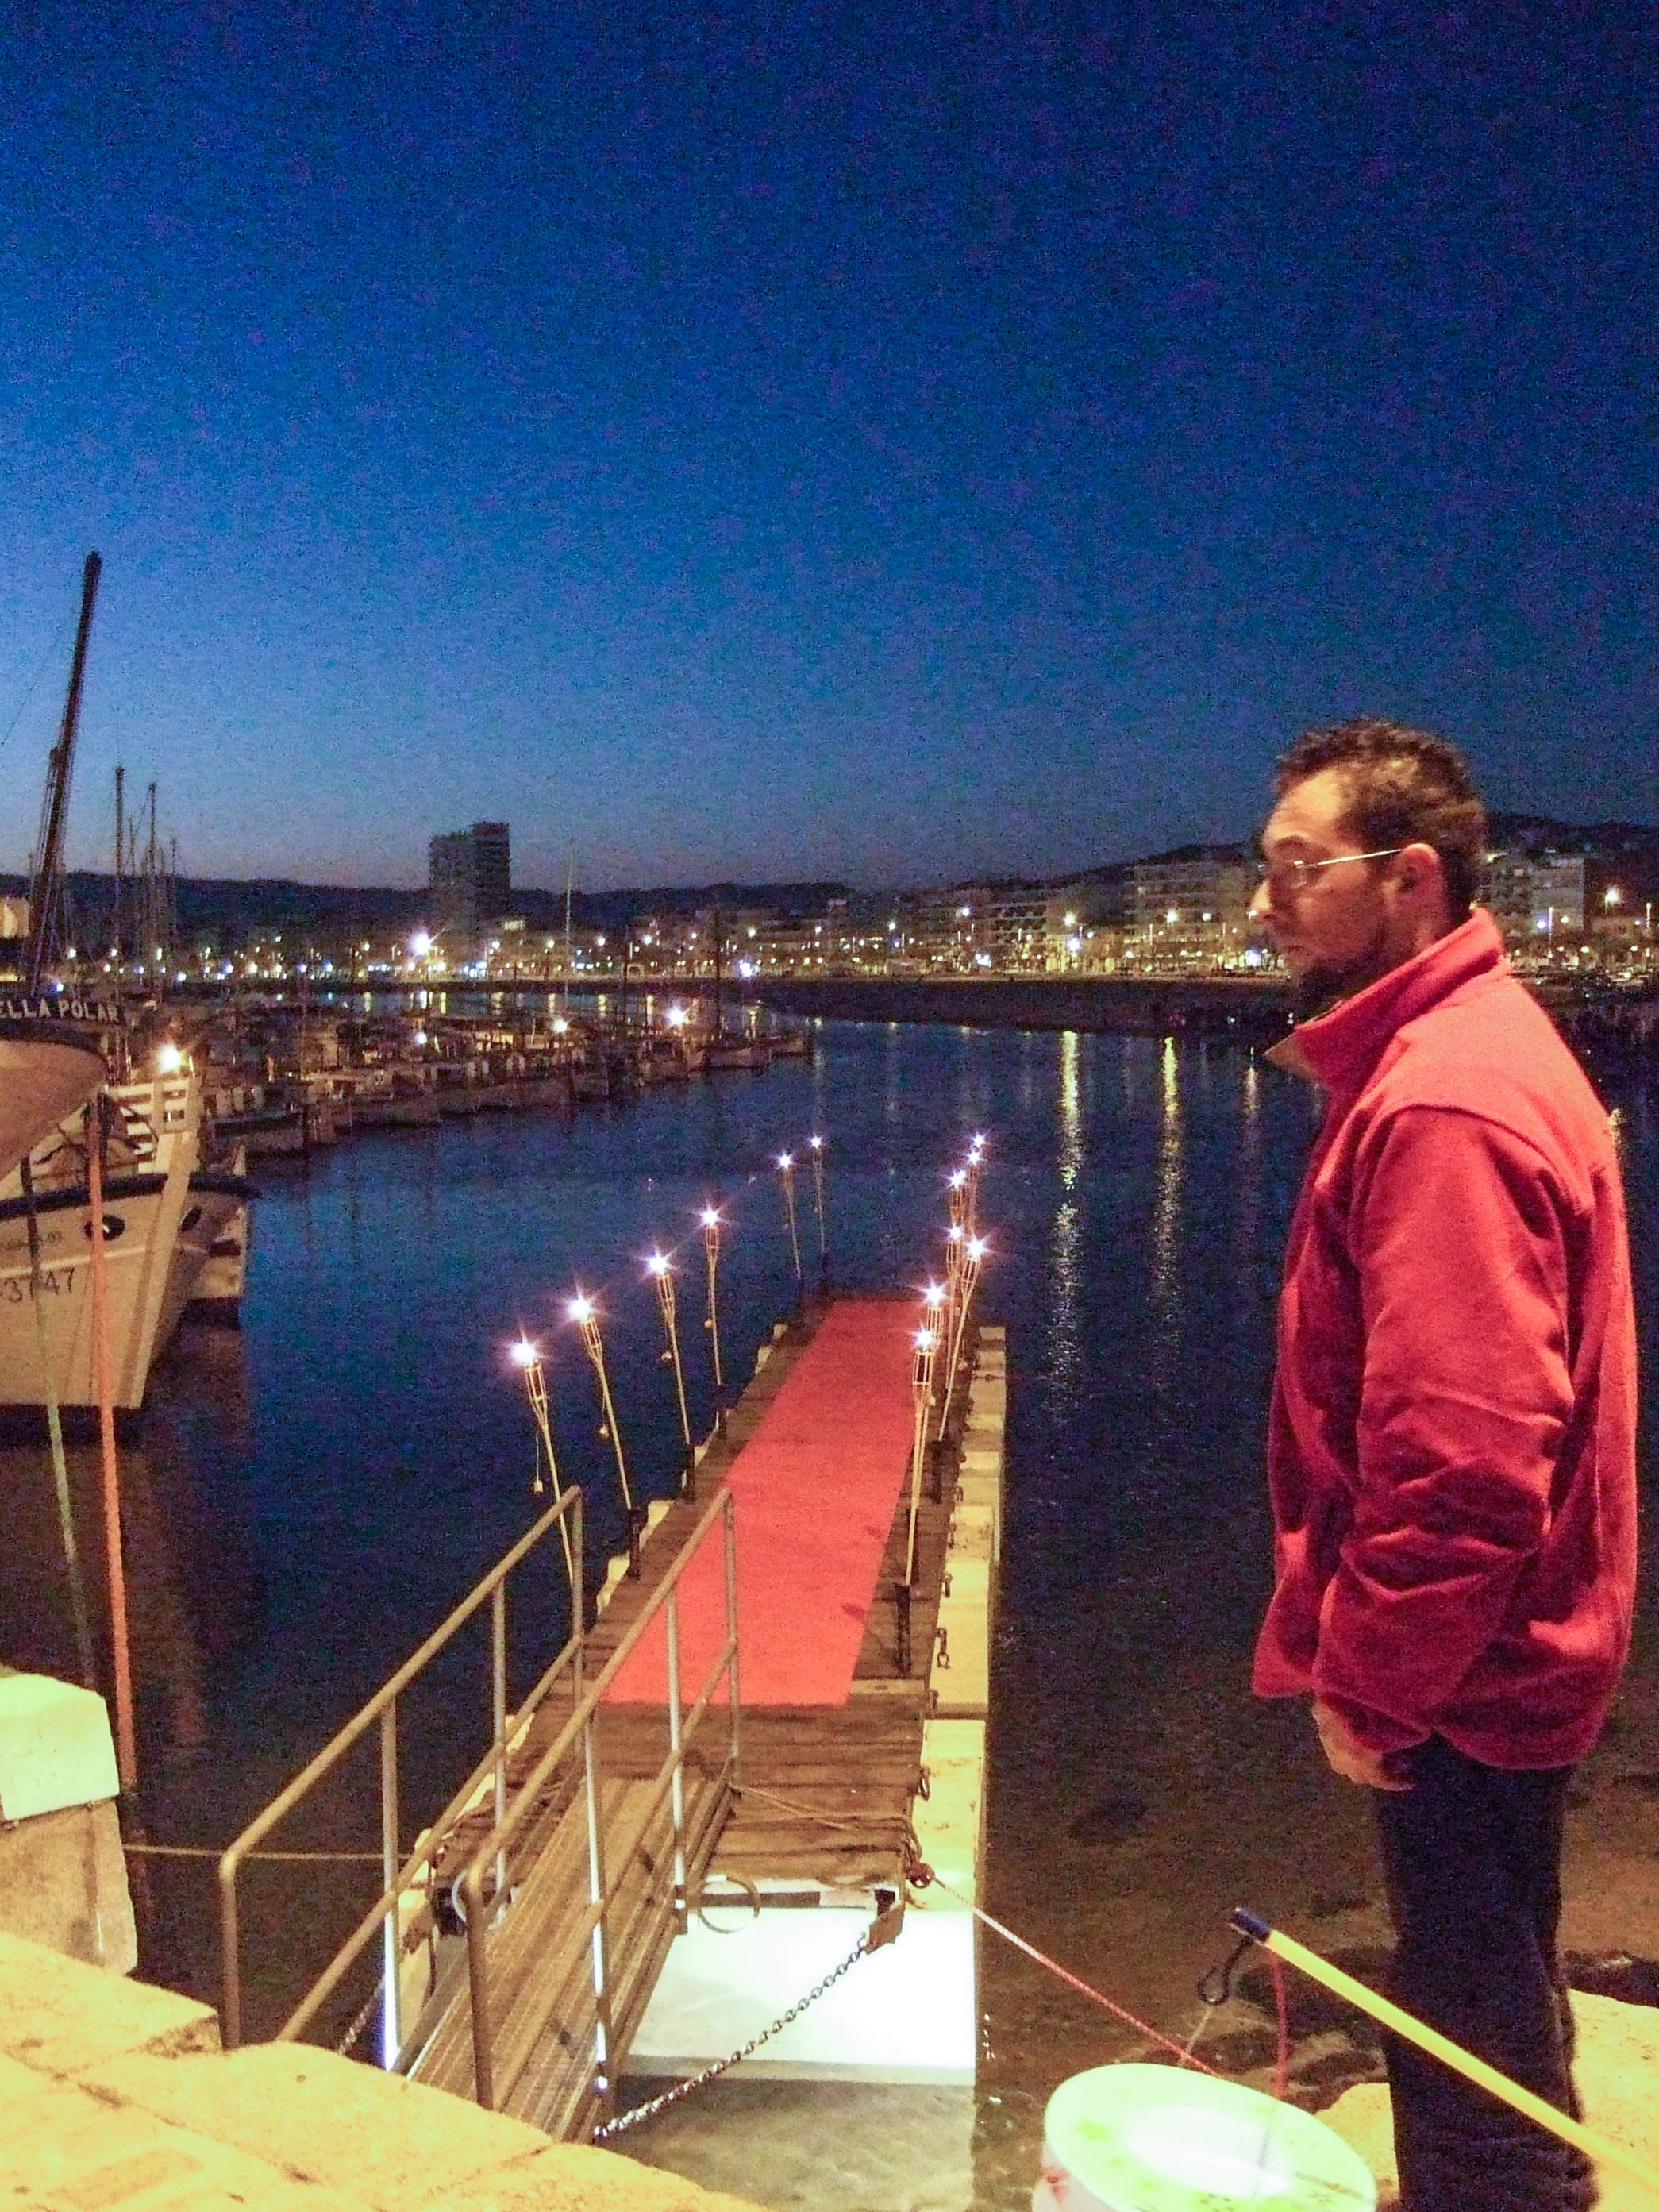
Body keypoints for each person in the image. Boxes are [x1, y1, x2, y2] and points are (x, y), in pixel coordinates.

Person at [1247, 718, 1638, 2212]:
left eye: (1297, 868)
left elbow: (1464, 1461)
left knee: (1465, 2007)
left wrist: (1370, 1680)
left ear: (1409, 877)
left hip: (1469, 1661)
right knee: (1496, 1955)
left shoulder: (1439, 1103)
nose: (1264, 904)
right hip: (1515, 1643)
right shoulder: (1469, 1045)